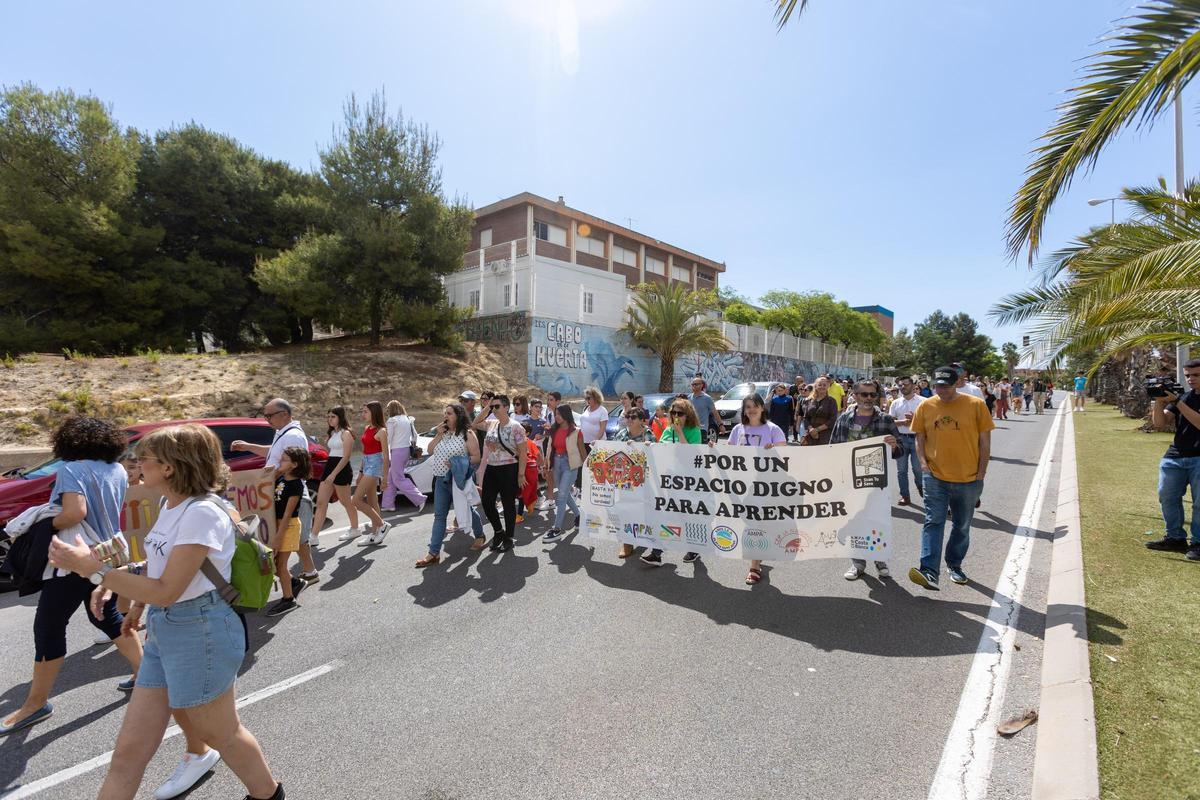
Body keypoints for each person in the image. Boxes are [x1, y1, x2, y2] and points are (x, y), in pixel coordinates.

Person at [46, 424, 284, 800]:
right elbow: (161, 568)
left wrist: (93, 569)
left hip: (201, 628)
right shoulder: (169, 504)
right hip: (165, 628)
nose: (135, 464)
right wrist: (129, 592)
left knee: (219, 733)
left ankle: (268, 796)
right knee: (129, 752)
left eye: (144, 459)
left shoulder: (201, 512)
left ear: (170, 467)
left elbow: (169, 590)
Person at [0, 417, 143, 737]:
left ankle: (36, 705)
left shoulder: (71, 470)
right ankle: (145, 675)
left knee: (49, 627)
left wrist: (42, 523)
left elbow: (74, 513)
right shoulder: (118, 469)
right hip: (107, 552)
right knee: (106, 616)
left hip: (75, 557)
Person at [907, 366, 995, 590]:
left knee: (961, 525)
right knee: (933, 521)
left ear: (957, 383)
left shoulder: (976, 405)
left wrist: (981, 472)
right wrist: (924, 463)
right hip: (935, 476)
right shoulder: (925, 406)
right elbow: (920, 437)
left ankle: (954, 564)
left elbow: (985, 441)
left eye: (946, 385)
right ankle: (929, 571)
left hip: (969, 477)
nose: (941, 390)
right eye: (937, 385)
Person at [231, 398, 319, 586]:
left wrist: (264, 477)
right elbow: (274, 454)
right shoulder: (283, 433)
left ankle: (298, 578)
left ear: (284, 414)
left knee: (295, 537)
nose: (266, 419)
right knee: (295, 538)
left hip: (291, 494)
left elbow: (293, 465)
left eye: (269, 415)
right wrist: (248, 447)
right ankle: (307, 573)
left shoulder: (293, 436)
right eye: (265, 415)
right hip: (280, 491)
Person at [831, 381, 905, 581]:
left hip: (876, 482)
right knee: (854, 520)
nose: (868, 399)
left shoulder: (886, 420)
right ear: (854, 395)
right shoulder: (844, 419)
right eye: (864, 395)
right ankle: (857, 563)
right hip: (849, 481)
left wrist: (894, 445)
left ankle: (879, 559)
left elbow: (900, 450)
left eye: (872, 395)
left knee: (876, 520)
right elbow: (833, 448)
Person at [724, 394, 787, 585]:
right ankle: (758, 555)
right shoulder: (738, 429)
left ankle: (754, 566)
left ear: (762, 408)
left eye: (755, 406)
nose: (751, 410)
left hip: (764, 486)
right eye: (748, 406)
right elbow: (729, 452)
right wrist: (712, 448)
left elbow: (786, 453)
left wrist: (773, 449)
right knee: (749, 521)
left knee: (756, 523)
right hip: (743, 485)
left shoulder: (773, 429)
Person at [416, 404, 486, 566]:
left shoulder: (467, 434)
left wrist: (457, 463)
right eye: (444, 413)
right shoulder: (443, 433)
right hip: (441, 480)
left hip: (458, 480)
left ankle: (480, 535)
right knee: (440, 516)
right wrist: (438, 436)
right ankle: (433, 553)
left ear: (458, 415)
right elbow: (431, 449)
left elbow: (476, 457)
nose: (446, 416)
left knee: (468, 509)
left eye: (449, 413)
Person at [1146, 359, 1200, 561]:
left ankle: (1198, 542)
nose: (1191, 379)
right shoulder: (1183, 397)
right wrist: (1158, 401)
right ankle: (1175, 538)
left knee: (1199, 503)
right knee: (1166, 496)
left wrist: (1177, 402)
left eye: (1196, 375)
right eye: (1188, 375)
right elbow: (1160, 423)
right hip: (1175, 456)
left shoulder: (1181, 400)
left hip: (1199, 457)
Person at [641, 399, 704, 567]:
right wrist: (650, 446)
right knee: (664, 514)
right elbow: (661, 449)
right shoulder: (668, 430)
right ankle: (657, 552)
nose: (676, 416)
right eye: (673, 413)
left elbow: (691, 455)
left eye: (680, 413)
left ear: (687, 415)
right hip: (668, 481)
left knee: (687, 516)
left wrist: (680, 433)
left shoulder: (694, 430)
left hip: (687, 481)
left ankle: (694, 546)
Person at [477, 394, 528, 552]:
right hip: (492, 468)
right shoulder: (491, 423)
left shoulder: (516, 427)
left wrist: (521, 474)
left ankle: (509, 537)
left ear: (506, 407)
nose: (494, 409)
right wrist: (487, 407)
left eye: (497, 406)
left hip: (509, 468)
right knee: (487, 501)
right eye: (493, 407)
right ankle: (498, 532)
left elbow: (523, 453)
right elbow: (475, 423)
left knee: (508, 505)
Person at [264, 447, 309, 617]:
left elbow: (287, 514)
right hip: (277, 525)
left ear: (295, 465)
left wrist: (277, 538)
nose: (280, 462)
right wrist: (275, 471)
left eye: (284, 460)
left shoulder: (296, 485)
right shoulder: (281, 478)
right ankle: (295, 582)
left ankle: (288, 599)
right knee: (273, 564)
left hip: (287, 526)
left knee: (280, 565)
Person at [610, 408, 655, 557]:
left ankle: (644, 537)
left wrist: (648, 447)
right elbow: (612, 451)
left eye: (633, 417)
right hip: (624, 480)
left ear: (642, 420)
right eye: (628, 416)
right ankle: (627, 544)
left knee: (643, 511)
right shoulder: (622, 434)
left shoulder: (648, 434)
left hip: (643, 481)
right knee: (625, 510)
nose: (629, 419)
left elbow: (657, 455)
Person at [543, 406, 589, 543]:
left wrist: (588, 470)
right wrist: (546, 465)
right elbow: (549, 449)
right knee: (565, 494)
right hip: (556, 463)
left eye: (559, 414)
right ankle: (579, 516)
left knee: (561, 496)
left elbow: (583, 452)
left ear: (566, 415)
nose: (556, 416)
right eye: (556, 413)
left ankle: (556, 529)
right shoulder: (553, 430)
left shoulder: (577, 432)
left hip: (571, 465)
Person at [316, 406, 360, 544]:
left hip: (341, 470)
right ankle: (313, 536)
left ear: (340, 417)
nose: (330, 419)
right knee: (321, 502)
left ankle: (355, 529)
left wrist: (333, 474)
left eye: (333, 417)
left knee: (345, 501)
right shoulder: (332, 433)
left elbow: (346, 457)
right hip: (330, 466)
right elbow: (333, 452)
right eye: (328, 417)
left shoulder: (346, 433)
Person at [352, 401, 390, 545]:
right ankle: (374, 535)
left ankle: (382, 524)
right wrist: (360, 472)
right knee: (372, 501)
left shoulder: (382, 431)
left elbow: (386, 457)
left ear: (374, 412)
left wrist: (385, 479)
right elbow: (365, 452)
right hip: (367, 465)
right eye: (362, 411)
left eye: (365, 411)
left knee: (355, 500)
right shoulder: (368, 428)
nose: (363, 414)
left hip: (375, 467)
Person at [381, 400, 427, 513]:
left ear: (391, 409)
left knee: (398, 479)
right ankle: (388, 504)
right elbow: (415, 435)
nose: (387, 412)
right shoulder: (407, 419)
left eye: (388, 409)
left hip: (396, 452)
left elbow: (388, 439)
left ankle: (420, 498)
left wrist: (384, 452)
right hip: (406, 451)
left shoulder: (392, 421)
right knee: (391, 477)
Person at [889, 376, 925, 505]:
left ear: (913, 385)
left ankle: (920, 485)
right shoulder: (895, 403)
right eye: (900, 385)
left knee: (918, 469)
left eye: (905, 384)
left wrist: (915, 419)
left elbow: (930, 421)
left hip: (918, 439)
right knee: (902, 470)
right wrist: (903, 422)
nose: (903, 387)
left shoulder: (924, 402)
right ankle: (905, 495)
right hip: (901, 439)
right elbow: (890, 422)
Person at [802, 376, 839, 445]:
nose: (822, 387)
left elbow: (833, 419)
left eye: (824, 385)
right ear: (815, 386)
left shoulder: (832, 401)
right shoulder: (809, 400)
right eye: (820, 385)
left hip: (825, 435)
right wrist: (811, 430)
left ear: (828, 386)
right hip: (810, 434)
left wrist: (817, 430)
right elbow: (805, 417)